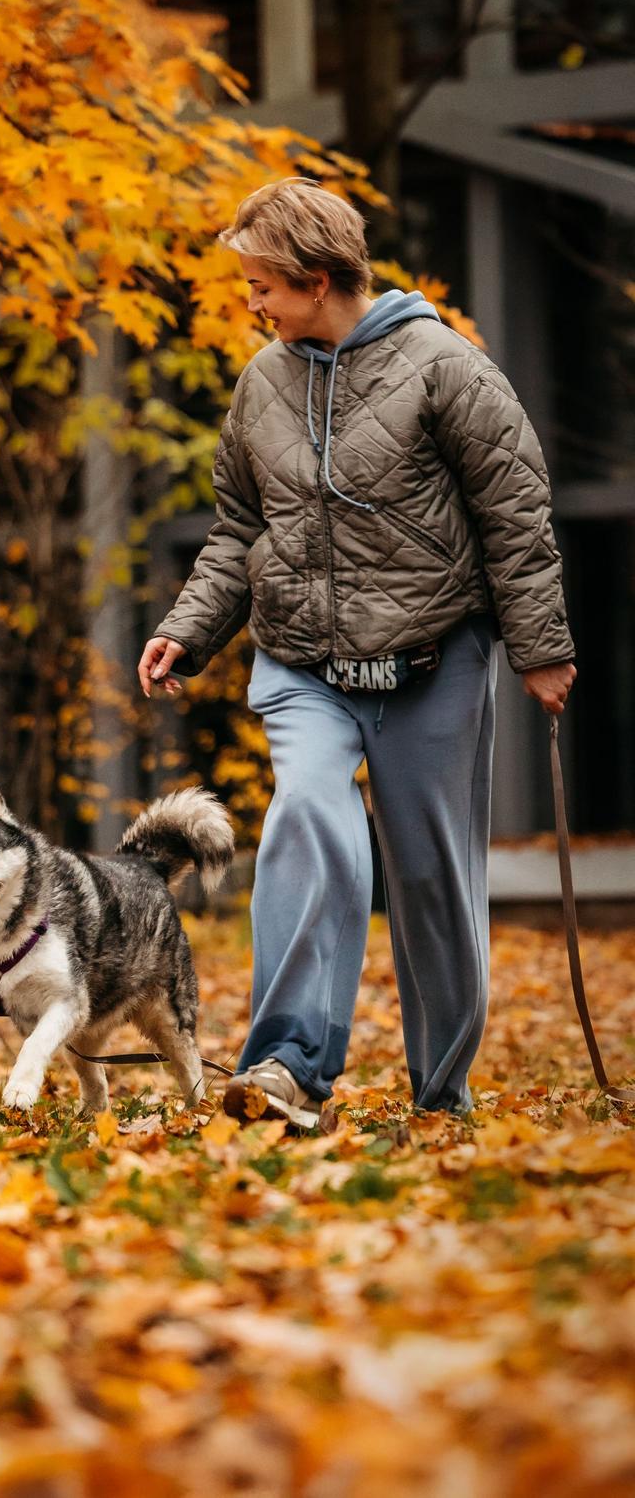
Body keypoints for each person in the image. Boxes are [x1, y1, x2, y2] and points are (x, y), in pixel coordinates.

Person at [137, 177, 576, 1131]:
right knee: (307, 816)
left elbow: (515, 508)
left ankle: (441, 1089)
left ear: (320, 277)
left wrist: (540, 647)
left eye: (263, 284)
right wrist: (190, 626)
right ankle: (287, 1064)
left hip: (432, 658)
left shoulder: (443, 365)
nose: (251, 302)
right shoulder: (263, 381)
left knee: (431, 876)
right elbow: (240, 526)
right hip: (303, 661)